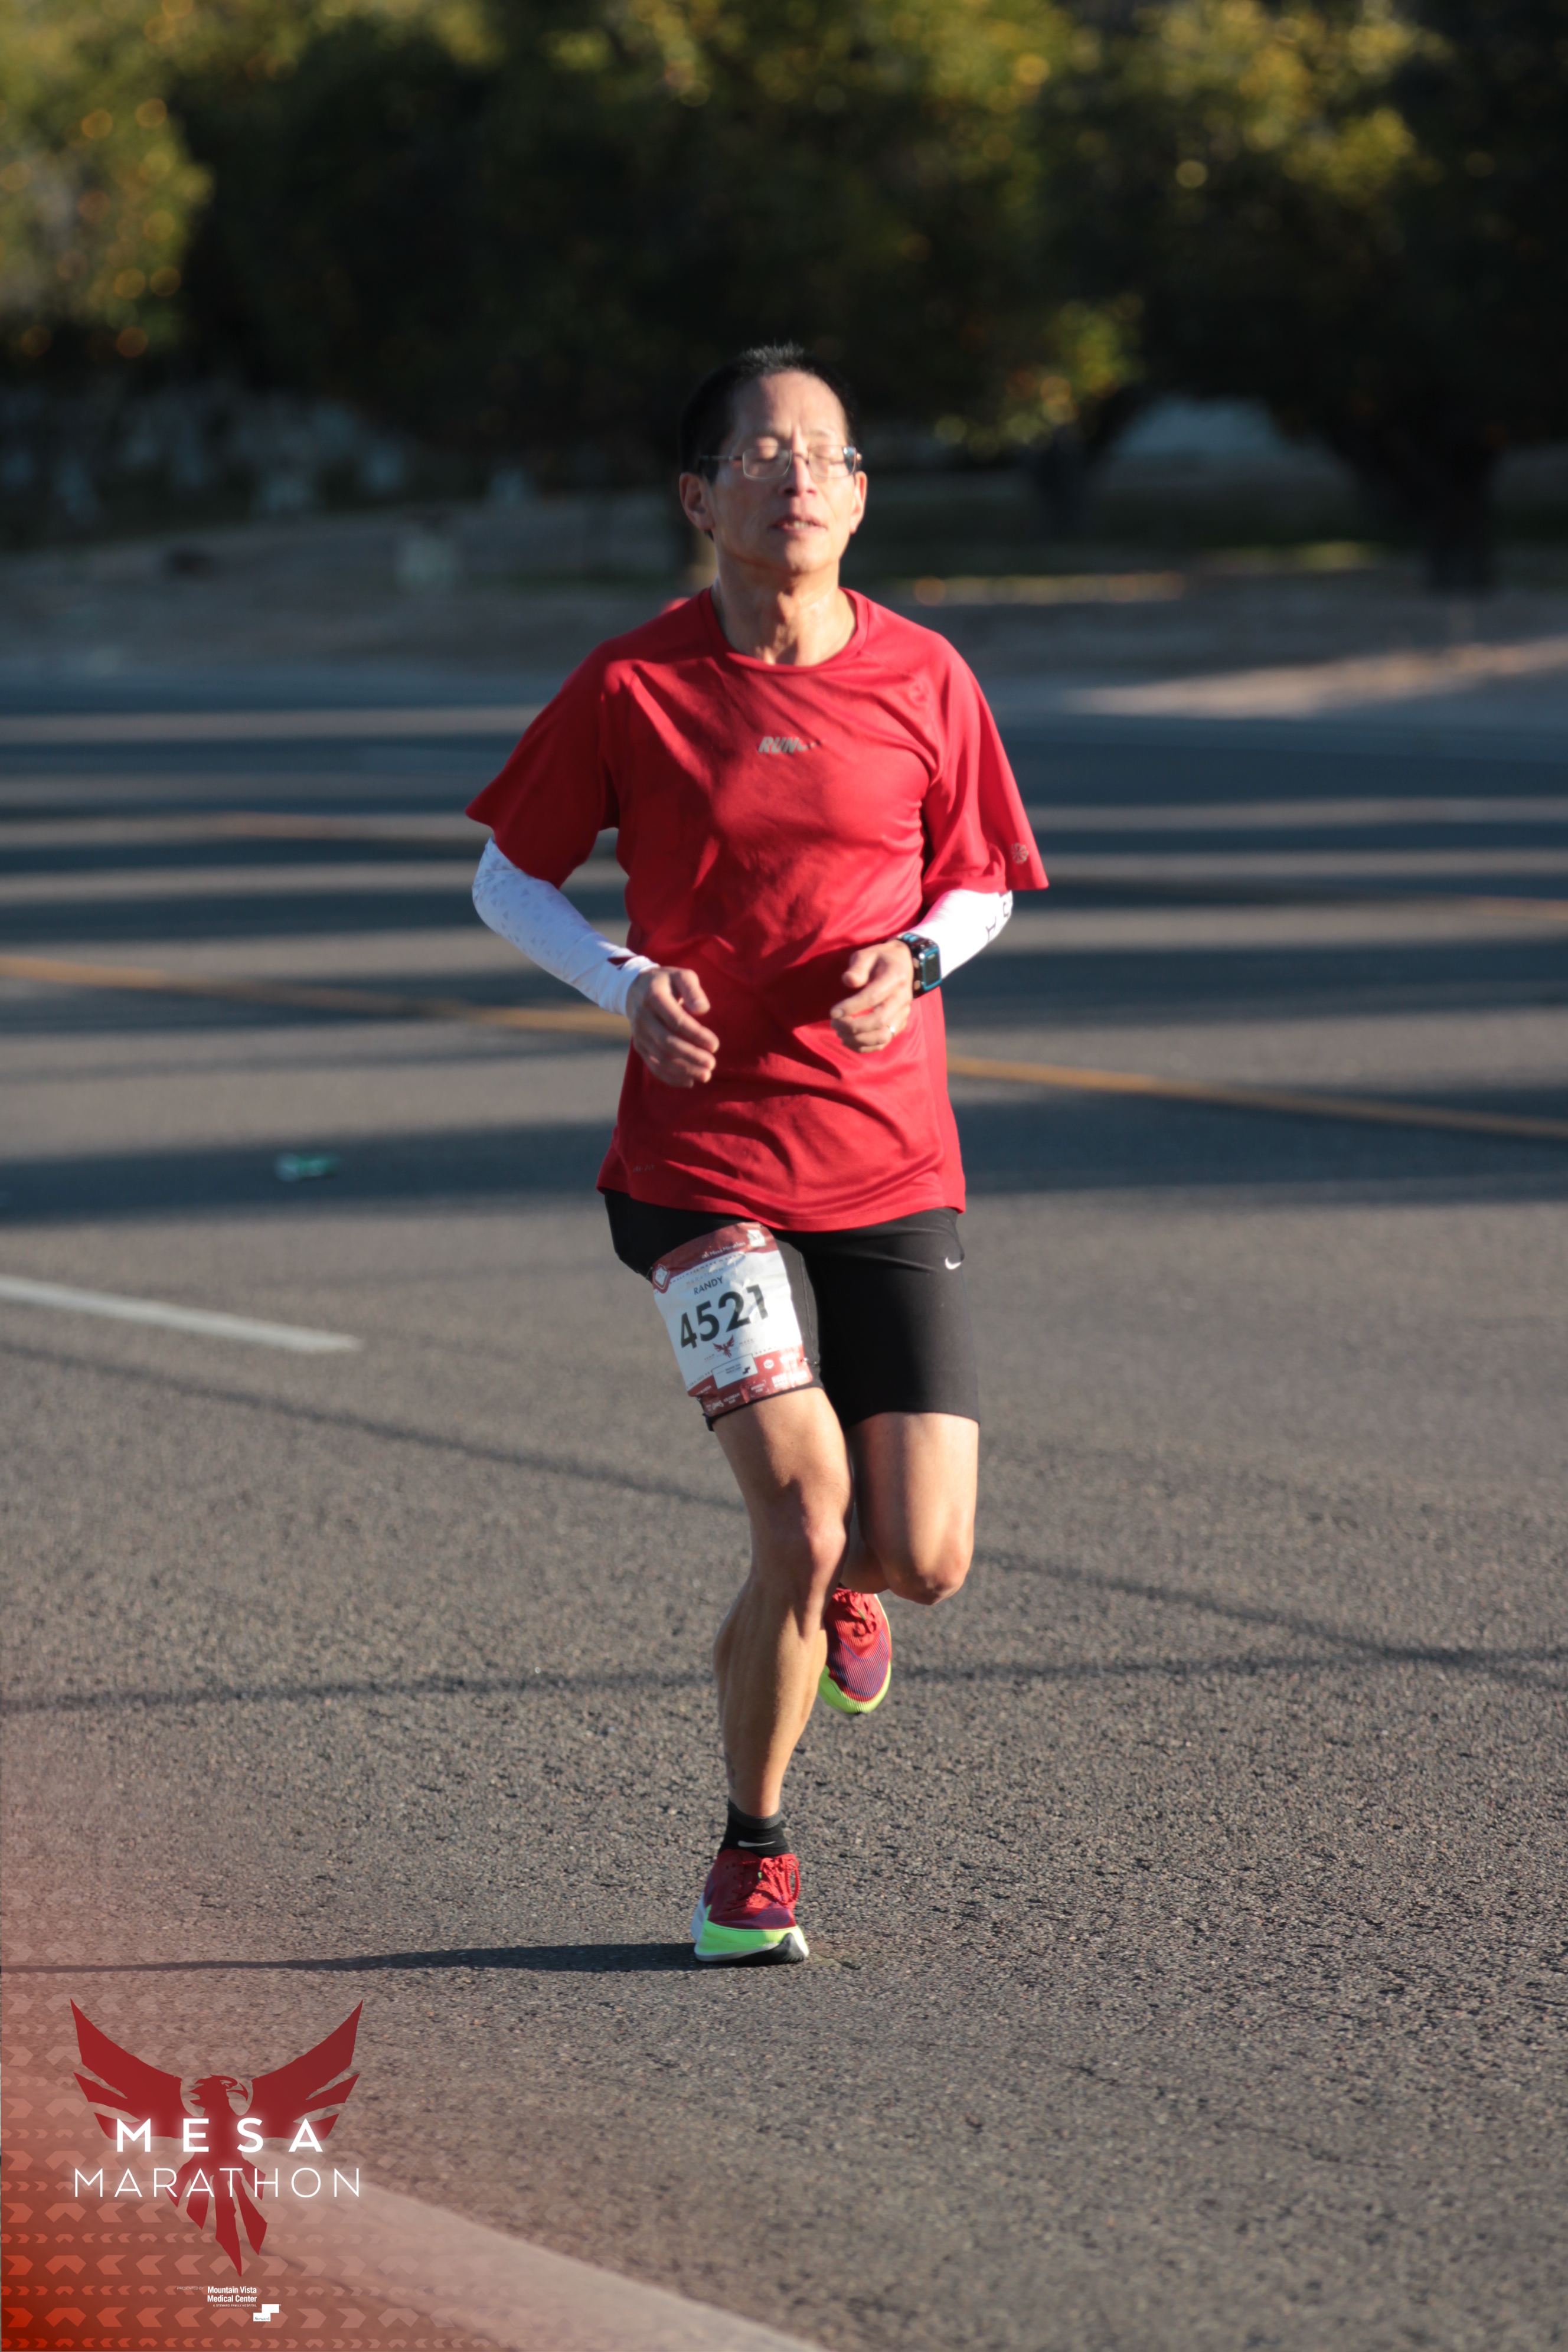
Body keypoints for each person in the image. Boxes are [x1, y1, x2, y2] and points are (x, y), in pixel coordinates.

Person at [468, 342, 1046, 1963]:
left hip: (888, 1155)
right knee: (797, 1516)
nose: (800, 479)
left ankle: (849, 1579)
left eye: (829, 456)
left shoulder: (928, 675)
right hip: (698, 1164)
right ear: (699, 497)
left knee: (923, 1554)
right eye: (763, 455)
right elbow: (509, 879)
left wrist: (916, 959)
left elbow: (982, 880)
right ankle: (752, 1856)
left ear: (861, 497)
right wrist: (622, 982)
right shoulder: (634, 683)